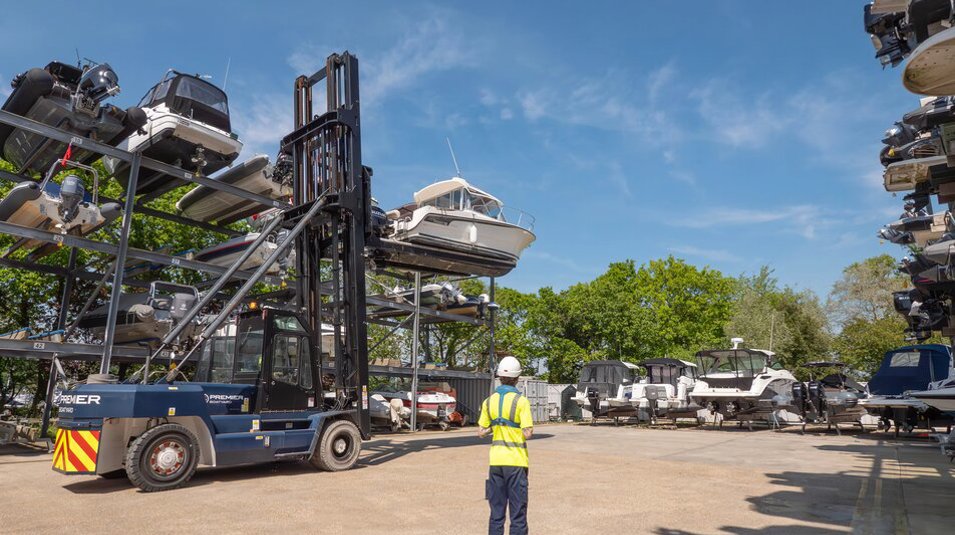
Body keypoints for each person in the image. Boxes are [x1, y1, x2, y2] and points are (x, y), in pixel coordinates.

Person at [478, 356, 533, 535]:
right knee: (517, 513)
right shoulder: (521, 401)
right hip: (516, 463)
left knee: (496, 512)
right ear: (517, 378)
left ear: (499, 376)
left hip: (495, 463)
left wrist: (497, 427)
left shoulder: (488, 401)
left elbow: (481, 431)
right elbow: (528, 433)